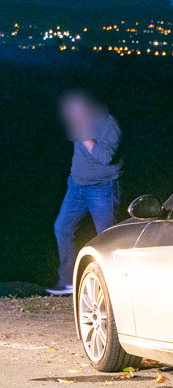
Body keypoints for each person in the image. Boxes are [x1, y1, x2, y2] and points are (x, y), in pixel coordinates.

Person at [46, 90, 123, 296]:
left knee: (106, 237)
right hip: (76, 188)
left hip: (102, 188)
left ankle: (112, 286)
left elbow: (105, 157)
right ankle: (68, 281)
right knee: (61, 227)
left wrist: (84, 135)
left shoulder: (109, 125)